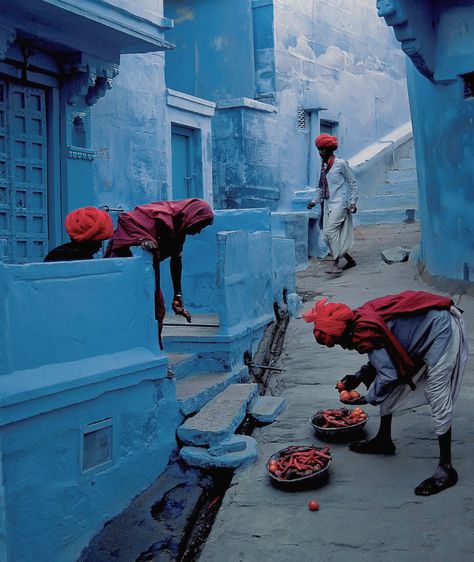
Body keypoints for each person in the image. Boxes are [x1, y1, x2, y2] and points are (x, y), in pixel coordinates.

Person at [303, 290, 469, 496]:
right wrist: (359, 376)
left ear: (342, 333)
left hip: (440, 328)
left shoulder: (363, 331)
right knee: (382, 381)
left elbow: (388, 374)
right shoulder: (358, 321)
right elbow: (383, 355)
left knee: (437, 391)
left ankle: (446, 468)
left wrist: (368, 398)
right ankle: (384, 440)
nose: (342, 347)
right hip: (423, 328)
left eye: (337, 343)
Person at [105, 198, 214, 348]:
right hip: (125, 267)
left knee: (157, 310)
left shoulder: (179, 229)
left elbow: (176, 260)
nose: (198, 231)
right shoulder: (161, 215)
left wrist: (178, 295)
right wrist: (142, 239)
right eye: (200, 225)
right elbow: (126, 219)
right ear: (192, 216)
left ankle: (154, 350)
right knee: (131, 311)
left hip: (148, 273)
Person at [307, 134, 358, 274]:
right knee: (326, 237)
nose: (321, 152)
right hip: (328, 204)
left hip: (340, 203)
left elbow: (353, 183)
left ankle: (335, 264)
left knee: (330, 232)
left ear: (331, 150)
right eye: (320, 150)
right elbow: (320, 187)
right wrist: (313, 202)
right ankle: (349, 260)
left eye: (324, 149)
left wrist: (353, 202)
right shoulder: (323, 167)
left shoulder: (341, 164)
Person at [44, 207, 114, 262]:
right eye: (98, 241)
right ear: (87, 241)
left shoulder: (53, 255)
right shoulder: (84, 259)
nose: (100, 246)